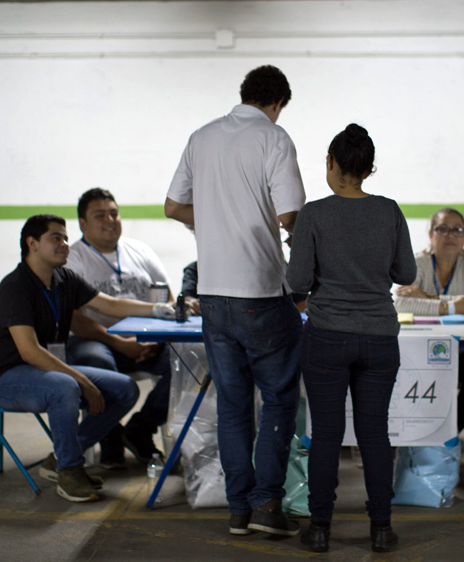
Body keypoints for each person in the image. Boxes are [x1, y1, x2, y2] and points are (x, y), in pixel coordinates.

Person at [164, 65, 306, 537]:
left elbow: (173, 206)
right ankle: (267, 505)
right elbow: (291, 217)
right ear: (278, 101)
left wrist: (217, 218)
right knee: (280, 401)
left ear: (243, 94)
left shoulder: (201, 137)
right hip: (261, 292)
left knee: (232, 405)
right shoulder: (273, 137)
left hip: (213, 297)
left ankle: (238, 510)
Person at [0, 214, 176, 502]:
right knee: (65, 386)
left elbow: (108, 304)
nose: (65, 244)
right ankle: (70, 470)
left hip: (43, 372)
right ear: (31, 244)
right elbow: (29, 351)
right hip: (7, 378)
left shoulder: (64, 279)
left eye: (65, 237)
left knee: (125, 389)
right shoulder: (16, 287)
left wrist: (157, 310)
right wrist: (81, 378)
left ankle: (59, 458)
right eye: (55, 238)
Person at [288, 124, 417, 553]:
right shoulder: (389, 210)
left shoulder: (315, 213)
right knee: (374, 434)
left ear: (331, 163)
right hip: (380, 337)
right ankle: (381, 529)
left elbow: (297, 282)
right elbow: (406, 274)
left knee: (325, 433)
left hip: (327, 337)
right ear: (369, 168)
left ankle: (320, 529)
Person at [65, 187, 176, 468]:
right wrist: (119, 343)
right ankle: (109, 435)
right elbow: (74, 319)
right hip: (95, 340)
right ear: (82, 223)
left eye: (113, 213)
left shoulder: (140, 251)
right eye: (100, 215)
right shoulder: (73, 260)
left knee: (185, 365)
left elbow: (167, 300)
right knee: (96, 363)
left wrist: (158, 341)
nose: (110, 220)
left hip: (145, 339)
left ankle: (140, 429)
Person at [394, 208, 464, 432]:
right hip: (421, 351)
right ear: (431, 234)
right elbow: (401, 305)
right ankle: (410, 437)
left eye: (457, 230)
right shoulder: (417, 263)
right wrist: (452, 306)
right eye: (442, 229)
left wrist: (425, 298)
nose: (450, 235)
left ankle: (444, 433)